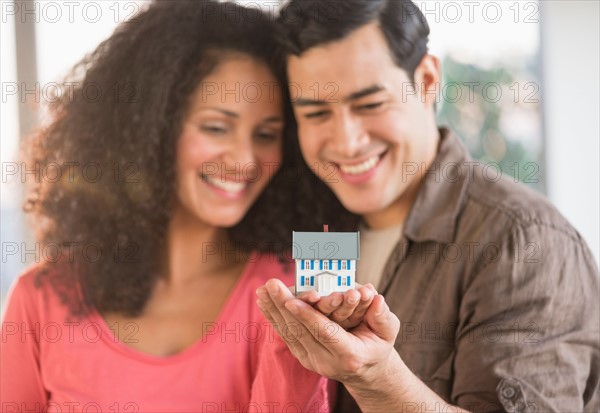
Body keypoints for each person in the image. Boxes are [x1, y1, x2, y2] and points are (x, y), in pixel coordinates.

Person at [256, 1, 600, 412]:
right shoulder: (316, 219)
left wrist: (377, 379)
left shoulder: (525, 241)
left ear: (427, 80)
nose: (347, 142)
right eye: (315, 112)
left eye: (369, 105)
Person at [0, 1, 336, 411]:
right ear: (150, 129)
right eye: (216, 127)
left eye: (267, 135)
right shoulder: (40, 297)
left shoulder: (296, 292)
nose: (246, 160)